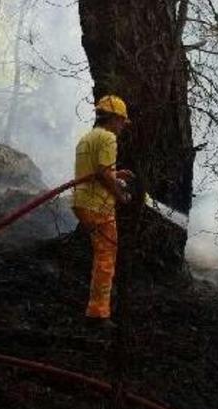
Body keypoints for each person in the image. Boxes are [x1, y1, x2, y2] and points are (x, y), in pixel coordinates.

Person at [72, 95, 135, 323]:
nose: (121, 128)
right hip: (99, 206)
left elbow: (94, 172)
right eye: (121, 122)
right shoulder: (108, 138)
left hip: (81, 203)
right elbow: (102, 175)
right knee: (106, 259)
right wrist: (121, 195)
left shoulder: (87, 138)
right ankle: (98, 313)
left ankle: (98, 306)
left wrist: (117, 175)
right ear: (115, 118)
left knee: (101, 254)